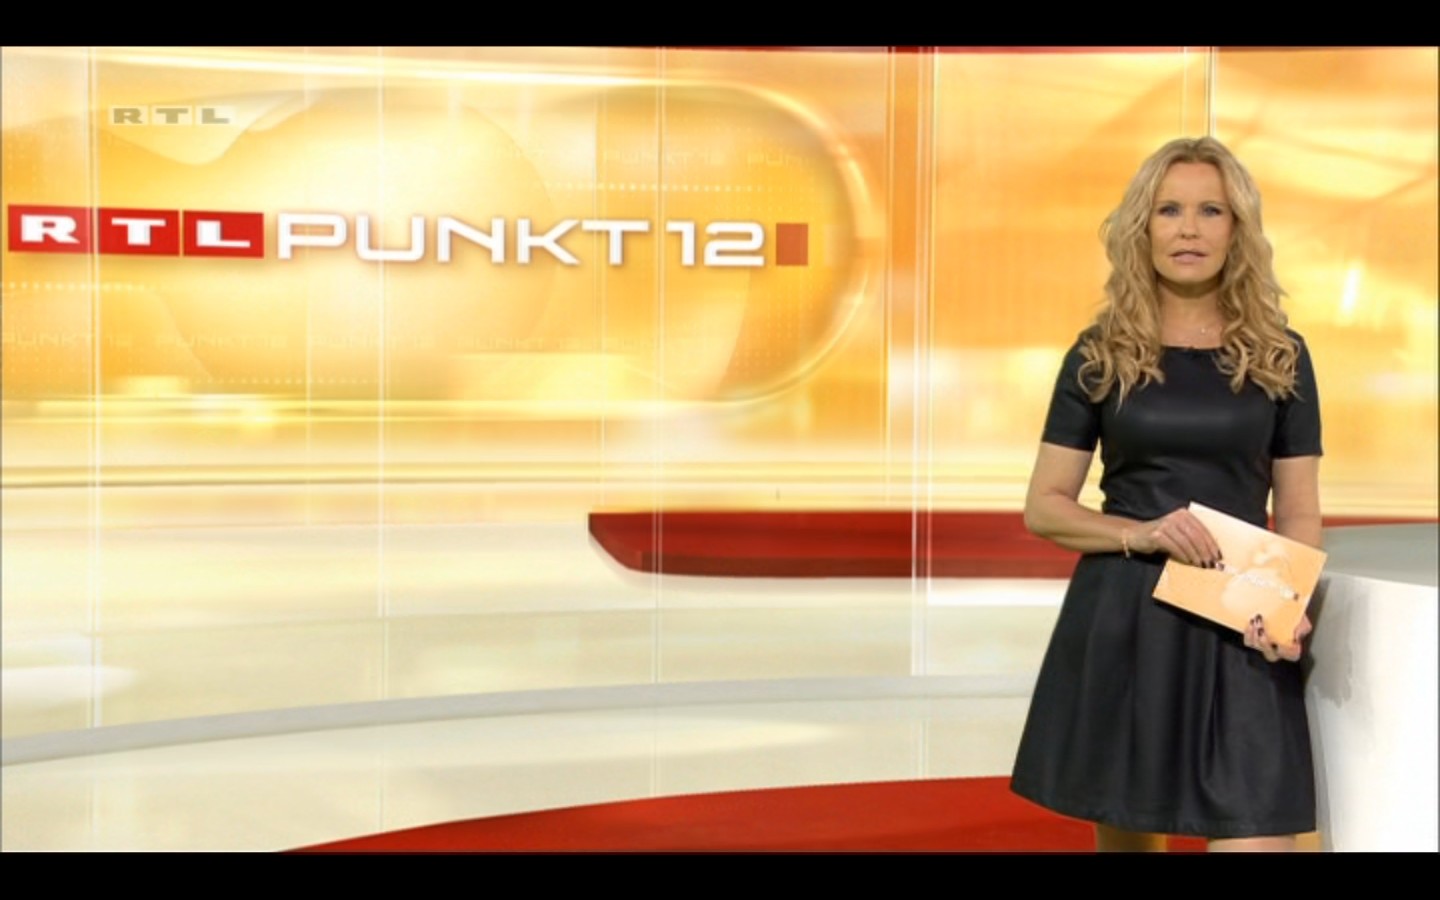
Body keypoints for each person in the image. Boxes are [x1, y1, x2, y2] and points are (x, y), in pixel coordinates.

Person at [1009, 136, 1323, 853]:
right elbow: (1045, 505)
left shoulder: (1282, 354)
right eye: (1169, 210)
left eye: (1211, 211)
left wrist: (1286, 603)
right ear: (1141, 228)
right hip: (1128, 618)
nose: (1189, 229)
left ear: (1238, 229)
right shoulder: (1099, 353)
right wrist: (1142, 533)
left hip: (1242, 619)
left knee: (1260, 831)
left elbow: (1300, 507)